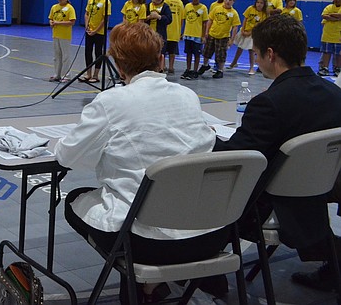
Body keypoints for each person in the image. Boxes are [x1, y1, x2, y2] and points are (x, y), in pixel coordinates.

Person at [55, 23, 226, 302]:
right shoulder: (188, 96)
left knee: (75, 201)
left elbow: (68, 157)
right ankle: (154, 286)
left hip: (149, 244)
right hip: (209, 234)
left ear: (118, 67)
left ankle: (140, 287)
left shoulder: (111, 102)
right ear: (160, 60)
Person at [215, 15, 341, 291]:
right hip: (325, 186)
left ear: (271, 54)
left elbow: (237, 157)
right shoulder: (334, 94)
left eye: (257, 55)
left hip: (277, 196)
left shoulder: (269, 104)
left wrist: (206, 139)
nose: (256, 61)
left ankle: (205, 263)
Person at [199, 0, 240, 79]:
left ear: (233, 2)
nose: (227, 2)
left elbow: (235, 27)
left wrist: (232, 39)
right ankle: (205, 65)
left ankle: (220, 70)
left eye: (230, 0)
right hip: (212, 34)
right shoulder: (216, 9)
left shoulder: (234, 13)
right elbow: (210, 20)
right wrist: (206, 32)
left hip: (223, 37)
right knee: (207, 51)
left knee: (220, 55)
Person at [228, 0, 268, 75]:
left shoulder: (264, 14)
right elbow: (245, 19)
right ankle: (234, 62)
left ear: (264, 4)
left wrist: (250, 32)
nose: (259, 4)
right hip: (244, 31)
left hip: (253, 34)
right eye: (257, 2)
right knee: (240, 47)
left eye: (261, 3)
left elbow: (260, 25)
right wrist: (243, 30)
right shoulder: (250, 8)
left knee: (251, 50)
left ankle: (251, 67)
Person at [81, 0, 111, 84]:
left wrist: (95, 30)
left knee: (98, 52)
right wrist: (87, 26)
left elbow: (105, 19)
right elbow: (87, 14)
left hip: (100, 32)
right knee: (88, 51)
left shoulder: (106, 1)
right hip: (89, 30)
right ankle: (88, 73)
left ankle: (95, 75)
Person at [48, 0, 76, 82]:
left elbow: (72, 22)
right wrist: (51, 22)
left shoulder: (70, 8)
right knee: (57, 56)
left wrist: (58, 23)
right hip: (56, 34)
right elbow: (51, 18)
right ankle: (57, 74)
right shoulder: (54, 7)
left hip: (65, 35)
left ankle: (66, 76)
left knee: (65, 56)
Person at [181, 0, 208, 80]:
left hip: (197, 35)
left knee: (197, 54)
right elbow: (184, 20)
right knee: (188, 53)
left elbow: (205, 22)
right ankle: (188, 69)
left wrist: (203, 35)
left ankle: (195, 71)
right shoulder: (187, 6)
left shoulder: (203, 8)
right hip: (188, 34)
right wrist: (182, 32)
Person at [145, 0, 172, 66]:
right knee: (149, 52)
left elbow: (169, 19)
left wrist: (159, 17)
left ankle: (160, 68)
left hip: (160, 33)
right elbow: (143, 19)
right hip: (149, 33)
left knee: (160, 52)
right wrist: (149, 17)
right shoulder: (148, 6)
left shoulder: (165, 7)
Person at [163, 0, 185, 74]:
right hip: (175, 30)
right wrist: (180, 30)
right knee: (172, 51)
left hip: (165, 29)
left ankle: (163, 66)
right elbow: (182, 18)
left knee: (163, 50)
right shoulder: (179, 2)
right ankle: (171, 67)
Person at [318, 0, 341, 77]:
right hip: (327, 35)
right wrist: (335, 18)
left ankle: (338, 68)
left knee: (338, 54)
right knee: (326, 53)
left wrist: (331, 15)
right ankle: (325, 68)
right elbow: (324, 15)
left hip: (338, 35)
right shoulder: (328, 7)